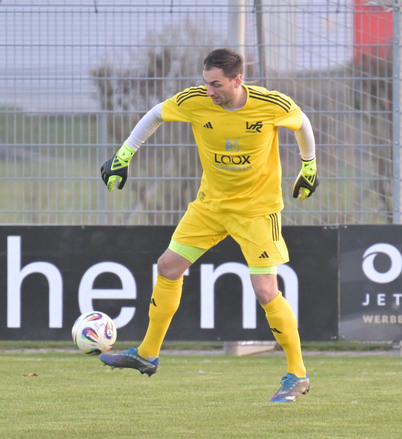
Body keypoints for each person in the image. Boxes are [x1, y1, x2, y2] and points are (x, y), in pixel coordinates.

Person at [98, 48, 319, 403]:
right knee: (168, 267)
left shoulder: (270, 104)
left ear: (237, 80)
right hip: (210, 206)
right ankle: (147, 353)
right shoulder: (196, 101)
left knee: (265, 290)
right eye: (206, 83)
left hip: (257, 211)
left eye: (216, 84)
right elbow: (155, 115)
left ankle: (298, 374)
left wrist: (309, 167)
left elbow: (302, 123)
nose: (209, 90)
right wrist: (123, 155)